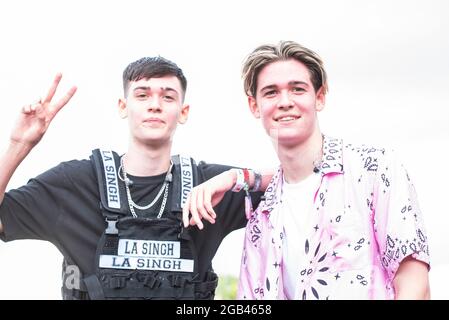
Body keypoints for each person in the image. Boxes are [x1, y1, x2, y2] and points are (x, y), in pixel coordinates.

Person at [0, 56, 267, 300]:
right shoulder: (76, 183)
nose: (154, 105)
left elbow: (302, 185)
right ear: (123, 106)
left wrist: (236, 177)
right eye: (142, 95)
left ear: (183, 112)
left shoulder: (211, 188)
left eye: (167, 97)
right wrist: (18, 144)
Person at [185, 41, 430, 300]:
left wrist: (238, 177)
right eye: (270, 92)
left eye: (297, 89)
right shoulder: (262, 213)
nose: (285, 102)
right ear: (254, 106)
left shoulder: (374, 169)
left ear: (320, 97)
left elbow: (413, 280)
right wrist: (237, 177)